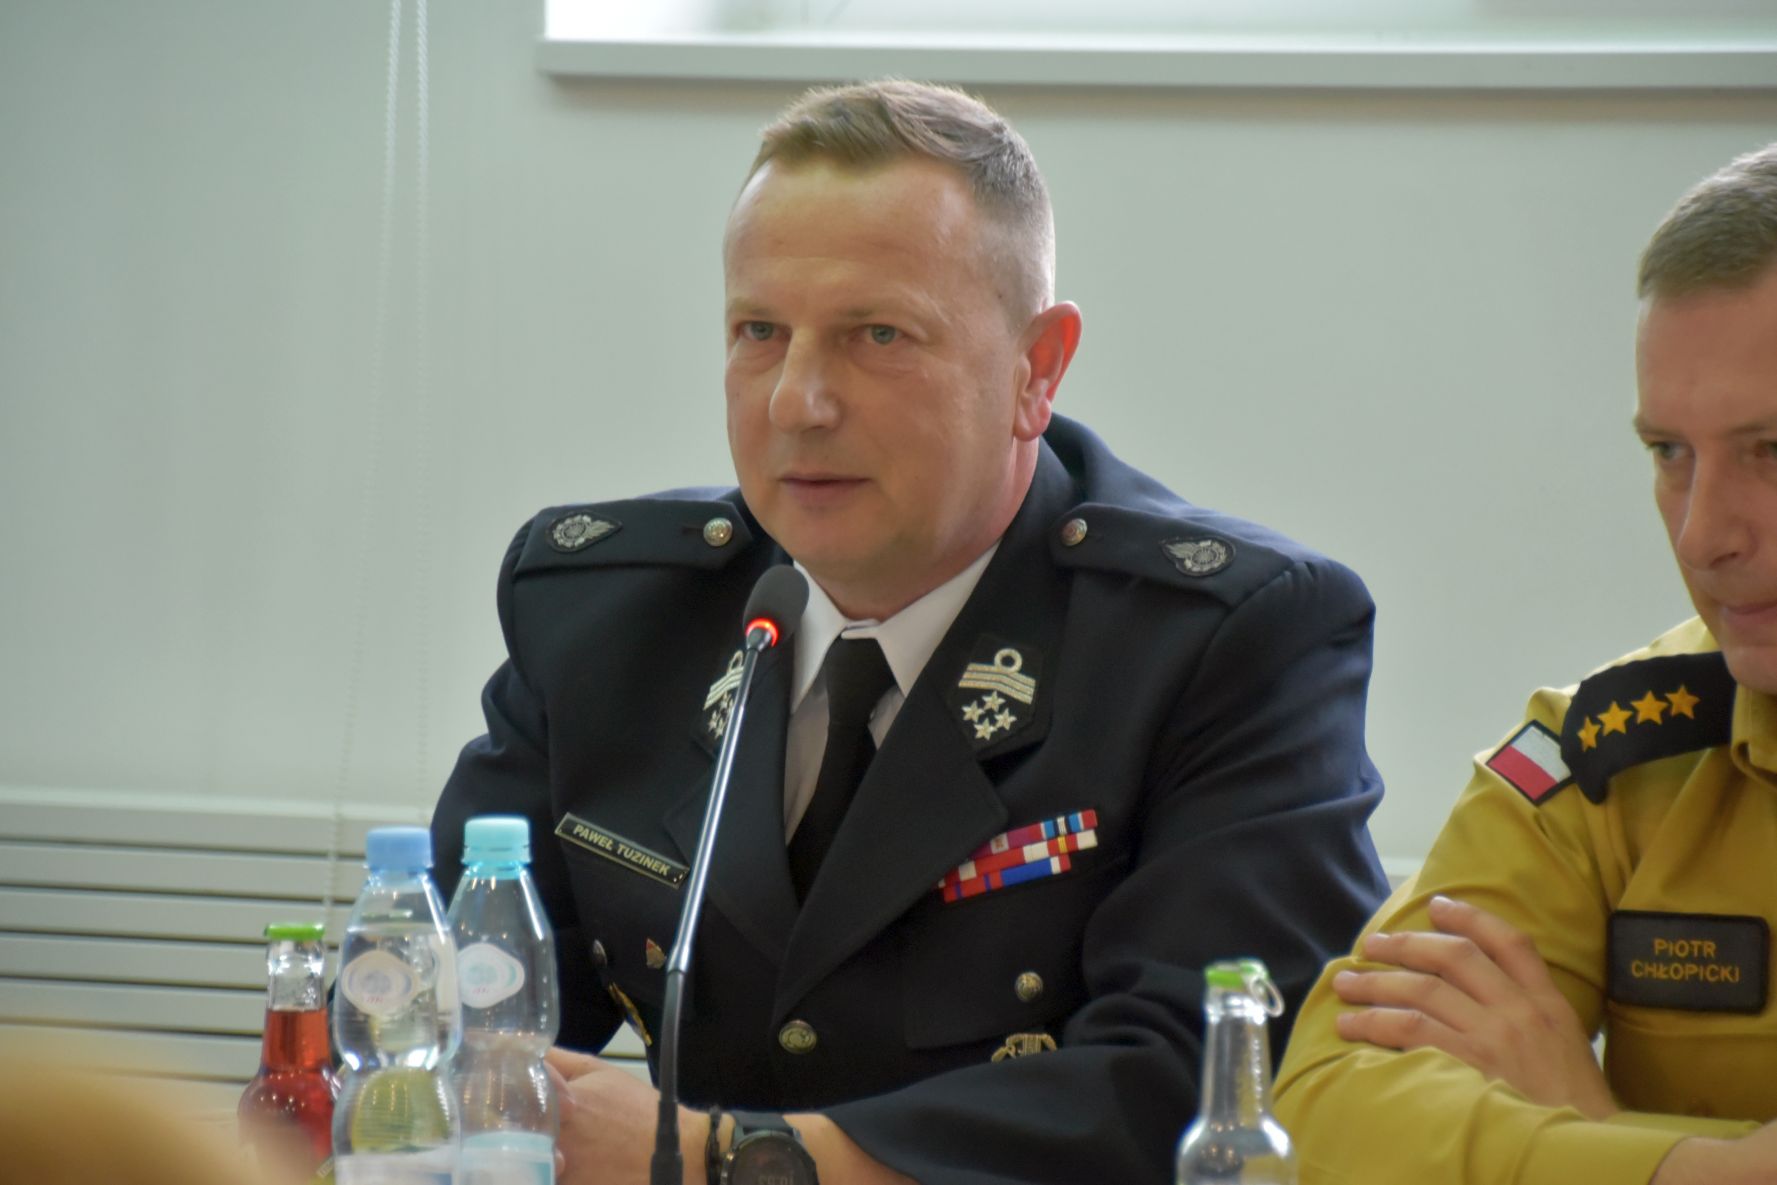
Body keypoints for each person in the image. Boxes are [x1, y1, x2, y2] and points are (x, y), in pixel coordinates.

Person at [433, 79, 1388, 1185]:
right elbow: (450, 1000)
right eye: (758, 332)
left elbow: (1204, 1076)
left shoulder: (1222, 642)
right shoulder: (604, 612)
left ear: (1036, 369)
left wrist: (738, 1160)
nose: (797, 402)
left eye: (877, 335)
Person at [1274, 142, 1777, 1185]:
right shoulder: (1613, 750)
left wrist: (1588, 1124)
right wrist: (1684, 1166)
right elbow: (1323, 1109)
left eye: (1771, 452)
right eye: (1668, 453)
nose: (1701, 535)